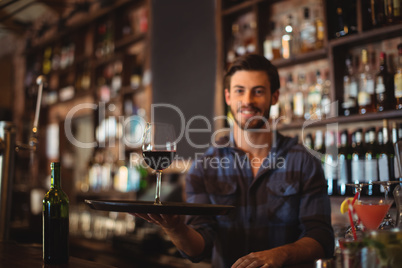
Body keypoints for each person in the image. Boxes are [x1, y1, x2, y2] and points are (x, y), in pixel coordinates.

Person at [134, 54, 334, 268]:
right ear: (228, 97)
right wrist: (175, 229)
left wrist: (281, 255)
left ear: (274, 97)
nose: (248, 101)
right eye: (240, 91)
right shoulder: (204, 167)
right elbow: (199, 249)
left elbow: (322, 238)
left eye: (258, 91)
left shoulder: (303, 161)